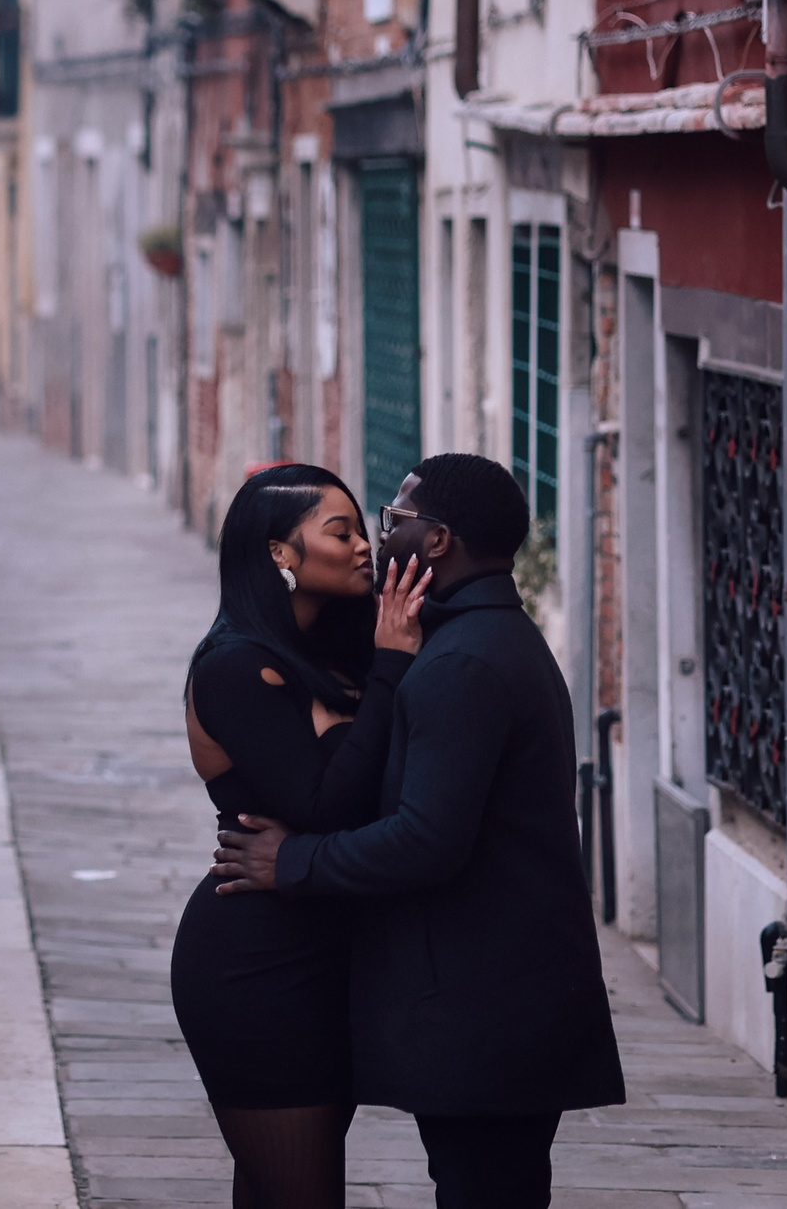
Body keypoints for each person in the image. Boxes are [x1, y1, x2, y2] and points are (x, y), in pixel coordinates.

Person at [214, 454, 626, 1208]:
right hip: (503, 1006)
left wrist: (293, 861)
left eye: (393, 519)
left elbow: (425, 839)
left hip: (489, 1012)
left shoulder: (462, 663)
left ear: (436, 541)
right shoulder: (483, 640)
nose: (380, 534)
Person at [171, 464, 431, 1208]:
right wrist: (390, 667)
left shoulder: (335, 658)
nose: (362, 547)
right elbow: (318, 802)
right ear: (281, 553)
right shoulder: (233, 667)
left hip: (334, 957)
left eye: (361, 529)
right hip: (255, 965)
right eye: (339, 531)